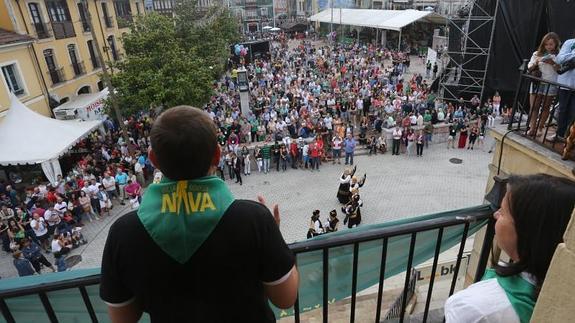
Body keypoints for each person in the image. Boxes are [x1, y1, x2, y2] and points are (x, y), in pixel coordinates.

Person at [100, 106, 298, 322]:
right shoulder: (254, 219)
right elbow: (285, 299)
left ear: (153, 159)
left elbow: (123, 318)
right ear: (217, 155)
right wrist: (272, 237)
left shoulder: (123, 233)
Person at [445, 174, 575, 323]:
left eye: (503, 211)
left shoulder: (474, 308)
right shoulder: (560, 291)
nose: (495, 214)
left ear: (527, 233)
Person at [527, 33, 561, 137]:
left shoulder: (559, 56)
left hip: (551, 83)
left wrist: (553, 63)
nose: (548, 46)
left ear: (556, 44)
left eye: (551, 44)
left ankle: (540, 128)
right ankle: (532, 128)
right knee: (534, 107)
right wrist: (536, 62)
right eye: (546, 44)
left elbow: (561, 70)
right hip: (537, 82)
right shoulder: (537, 53)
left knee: (546, 107)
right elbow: (529, 68)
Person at [554, 31, 575, 141]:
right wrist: (573, 55)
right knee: (562, 110)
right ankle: (559, 134)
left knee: (573, 112)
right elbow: (559, 59)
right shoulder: (570, 43)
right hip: (565, 83)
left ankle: (568, 138)